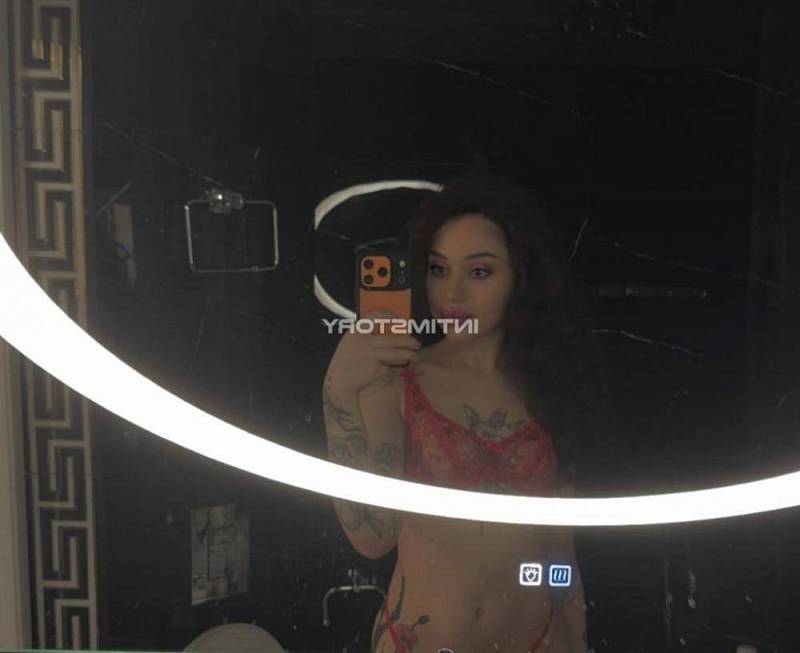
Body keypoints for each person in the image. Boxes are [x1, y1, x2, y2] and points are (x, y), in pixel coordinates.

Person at [323, 175, 599, 652]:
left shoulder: (548, 386)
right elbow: (372, 536)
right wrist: (339, 390)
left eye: (479, 272)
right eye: (438, 268)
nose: (452, 294)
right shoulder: (397, 378)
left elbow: (558, 545)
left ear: (520, 278)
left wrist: (573, 633)